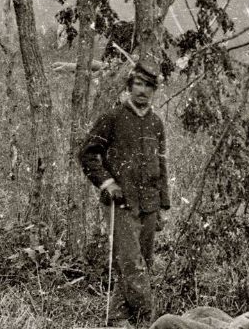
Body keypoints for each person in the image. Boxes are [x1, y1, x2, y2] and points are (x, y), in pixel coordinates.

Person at [78, 64, 171, 324]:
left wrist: (163, 206)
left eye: (148, 86)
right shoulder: (114, 117)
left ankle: (117, 320)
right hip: (121, 206)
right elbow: (87, 153)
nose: (143, 90)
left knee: (141, 265)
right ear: (129, 86)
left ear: (154, 90)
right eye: (138, 84)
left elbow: (161, 164)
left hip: (149, 206)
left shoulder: (156, 123)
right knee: (132, 266)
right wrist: (108, 183)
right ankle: (147, 321)